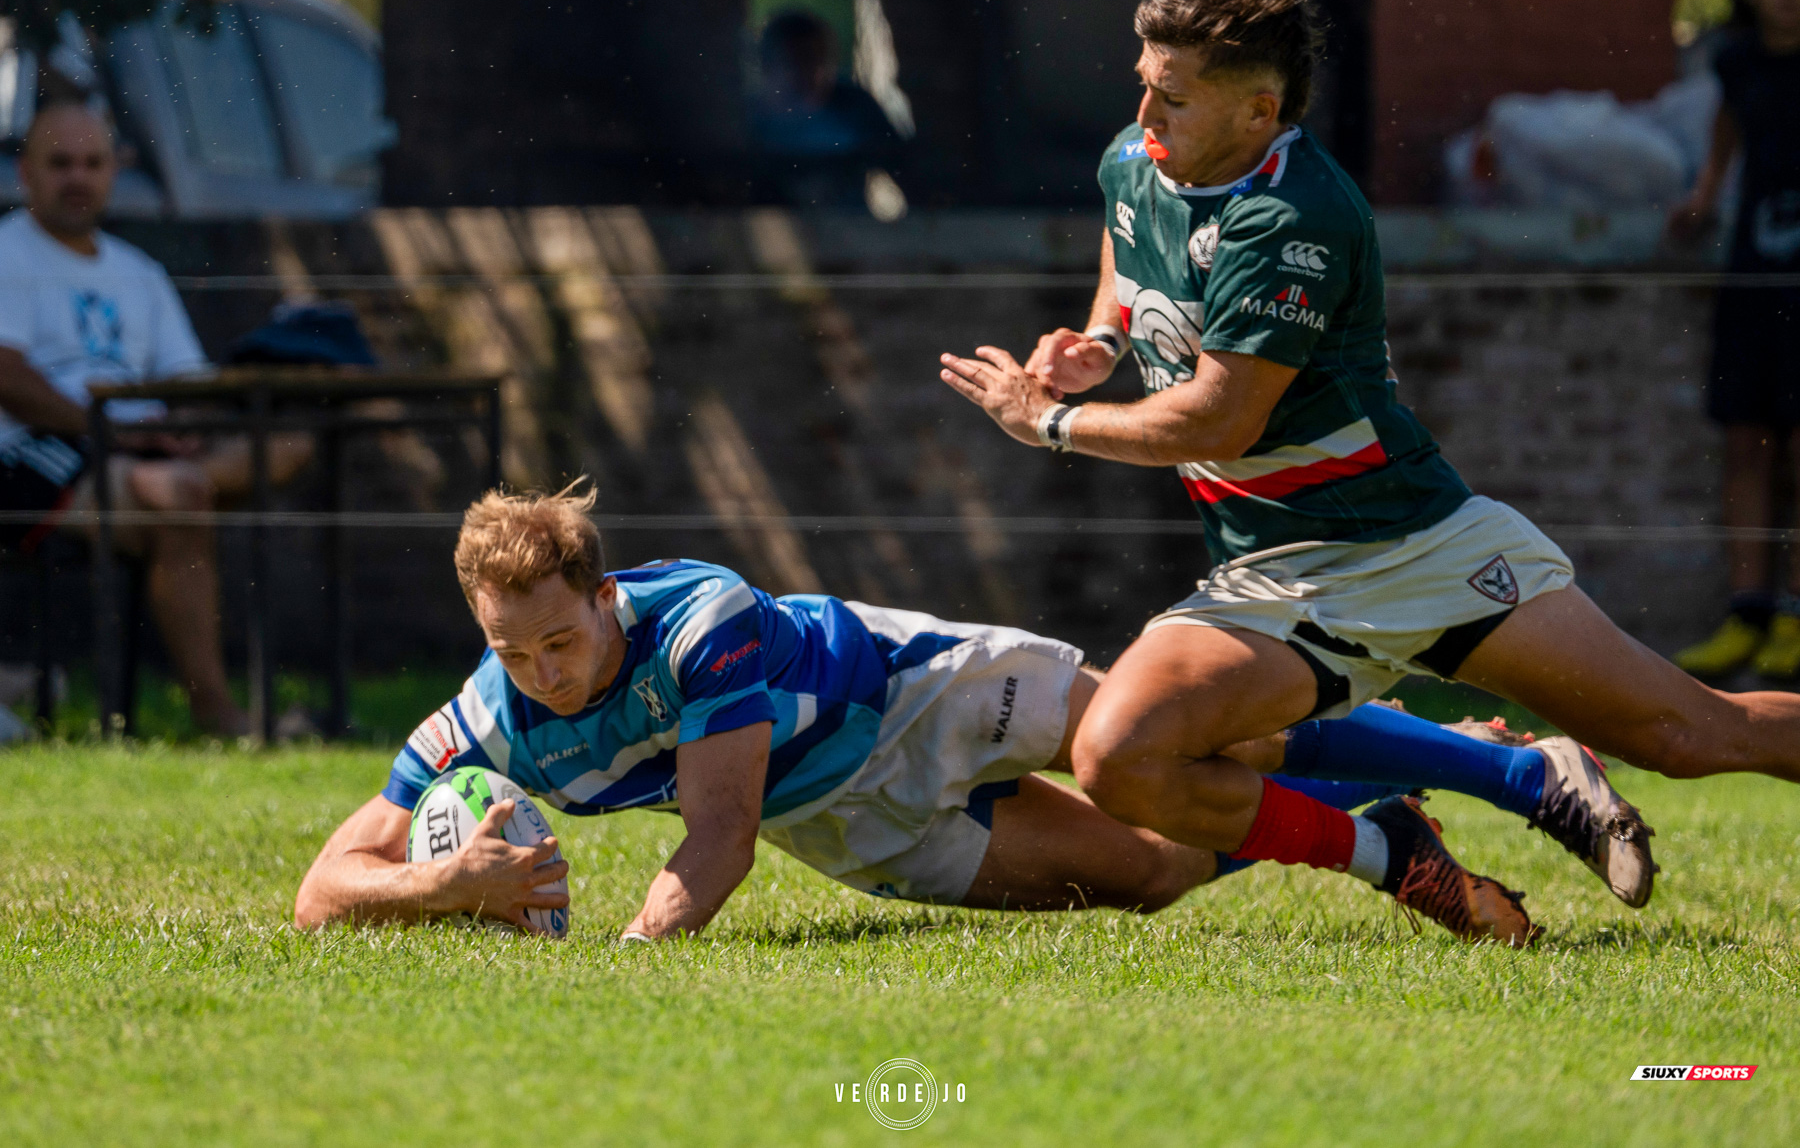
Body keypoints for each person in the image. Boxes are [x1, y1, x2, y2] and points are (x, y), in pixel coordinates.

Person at [939, 0, 1800, 898]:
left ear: (1259, 112)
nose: (1146, 115)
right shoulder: (1138, 156)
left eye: (1173, 99)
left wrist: (1052, 420)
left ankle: (1501, 776)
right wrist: (1104, 340)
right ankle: (1406, 841)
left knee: (1686, 736)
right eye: (1143, 84)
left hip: (1415, 544)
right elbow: (1129, 233)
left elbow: (1219, 419)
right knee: (1122, 755)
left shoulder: (1296, 214)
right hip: (1268, 573)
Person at [293, 486, 1549, 945]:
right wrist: (445, 884)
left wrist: (627, 968)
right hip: (844, 814)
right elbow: (320, 890)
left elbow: (719, 836)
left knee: (1186, 742)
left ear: (603, 594)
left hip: (918, 688)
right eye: (511, 650)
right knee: (1152, 871)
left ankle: (1506, 768)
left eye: (560, 640)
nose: (544, 674)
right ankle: (1386, 818)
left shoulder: (698, 621)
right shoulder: (488, 716)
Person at [0, 100, 302, 735]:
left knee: (288, 444)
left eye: (92, 163)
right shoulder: (8, 253)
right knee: (180, 496)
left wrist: (184, 422)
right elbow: (9, 378)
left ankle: (173, 485)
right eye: (60, 163)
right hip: (40, 453)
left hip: (137, 450)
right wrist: (112, 431)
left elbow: (187, 378)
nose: (77, 178)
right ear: (25, 172)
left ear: (115, 170)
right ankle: (216, 711)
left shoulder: (139, 272)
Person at [1669, 0, 1800, 681]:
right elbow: (1729, 128)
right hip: (1754, 270)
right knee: (1746, 437)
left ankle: (1795, 618)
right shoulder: (1738, 61)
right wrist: (1704, 195)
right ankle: (1747, 612)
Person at [750, 10, 906, 210]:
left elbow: (905, 170)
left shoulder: (856, 107)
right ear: (767, 66)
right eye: (794, 61)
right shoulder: (746, 119)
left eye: (819, 59)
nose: (811, 72)